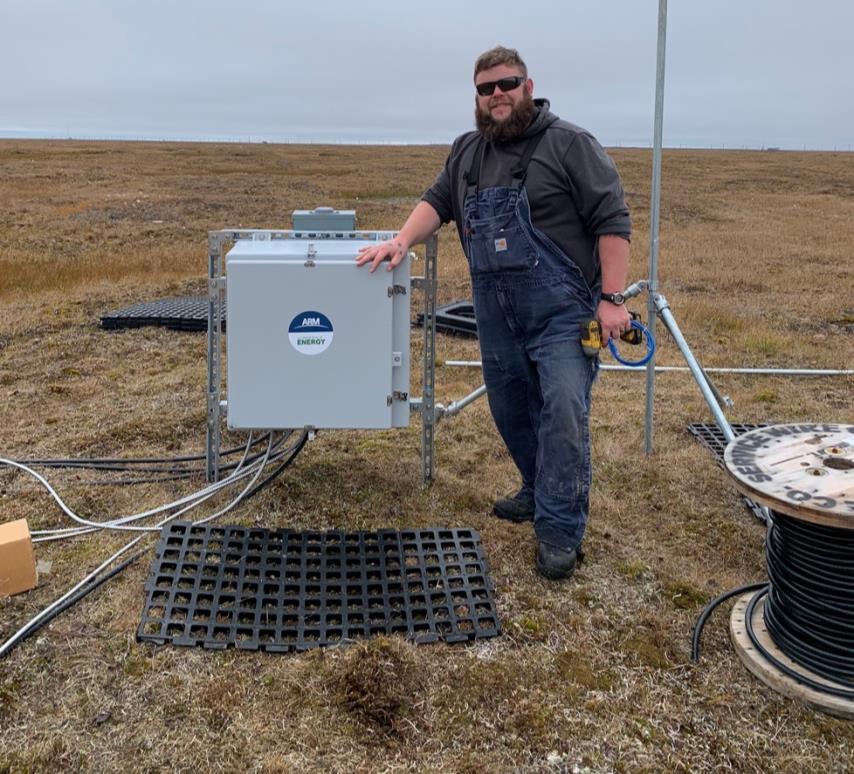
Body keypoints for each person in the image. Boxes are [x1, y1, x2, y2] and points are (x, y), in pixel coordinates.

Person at [356, 46, 632, 580]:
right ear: (478, 98)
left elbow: (612, 222)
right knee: (511, 408)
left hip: (566, 312)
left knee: (564, 413)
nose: (497, 95)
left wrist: (612, 299)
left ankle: (558, 530)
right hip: (495, 310)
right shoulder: (468, 151)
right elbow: (437, 202)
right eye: (486, 89)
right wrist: (400, 241)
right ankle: (535, 489)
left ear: (528, 86)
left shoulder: (570, 144)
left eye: (507, 84)